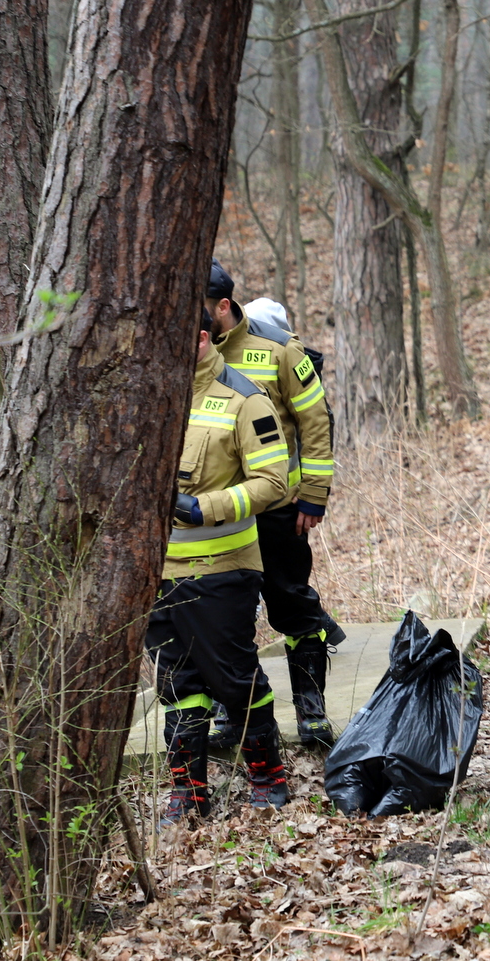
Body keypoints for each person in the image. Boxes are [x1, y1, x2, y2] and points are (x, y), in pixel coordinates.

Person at [149, 307, 292, 827]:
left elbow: (276, 483)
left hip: (223, 568)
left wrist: (203, 507)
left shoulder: (245, 400)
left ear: (203, 337)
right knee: (176, 683)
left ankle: (267, 776)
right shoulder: (147, 394)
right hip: (156, 575)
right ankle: (188, 793)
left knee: (234, 677)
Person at [204, 262, 341, 750]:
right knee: (224, 617)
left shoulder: (280, 351)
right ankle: (229, 712)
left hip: (281, 509)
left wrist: (314, 496)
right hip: (218, 515)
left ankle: (311, 709)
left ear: (223, 306)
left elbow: (316, 422)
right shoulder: (188, 357)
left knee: (293, 605)